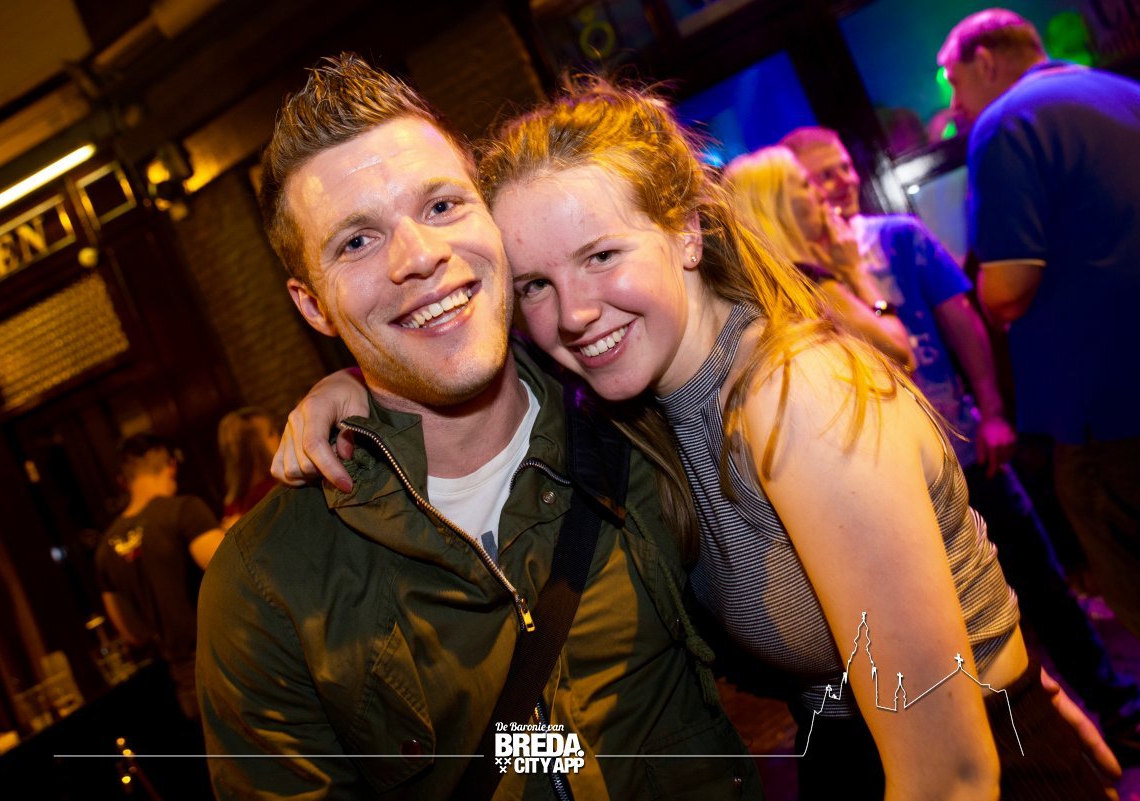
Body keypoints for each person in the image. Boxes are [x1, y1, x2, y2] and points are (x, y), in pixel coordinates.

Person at [276, 77, 1118, 798]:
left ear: (685, 230)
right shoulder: (634, 414)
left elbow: (950, 772)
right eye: (535, 284)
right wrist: (358, 385)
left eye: (602, 255)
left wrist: (1020, 703)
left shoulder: (794, 396)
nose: (573, 312)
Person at [195, 54, 759, 801]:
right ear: (312, 305)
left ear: (491, 220)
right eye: (356, 242)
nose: (419, 257)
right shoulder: (266, 587)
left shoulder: (644, 425)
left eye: (441, 206)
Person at [784, 123, 1140, 763]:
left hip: (966, 450)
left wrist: (993, 411)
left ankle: (1118, 711)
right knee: (964, 623)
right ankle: (1027, 749)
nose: (838, 181)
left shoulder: (897, 238)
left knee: (1042, 585)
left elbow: (964, 321)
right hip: (896, 484)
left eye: (842, 166)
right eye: (819, 175)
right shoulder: (802, 272)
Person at [939, 6, 1140, 684]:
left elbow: (1007, 287)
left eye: (954, 83)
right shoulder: (1122, 92)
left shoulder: (1007, 122)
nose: (954, 105)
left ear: (986, 61)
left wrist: (983, 288)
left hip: (1106, 410)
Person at [721, 145, 915, 370]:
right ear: (778, 207)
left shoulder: (766, 290)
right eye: (806, 185)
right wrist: (856, 271)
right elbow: (901, 354)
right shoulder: (809, 284)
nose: (821, 195)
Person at [96, 433, 224, 720]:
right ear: (171, 465)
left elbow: (133, 634)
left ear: (124, 481)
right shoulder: (184, 511)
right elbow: (234, 570)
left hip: (186, 682)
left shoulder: (105, 550)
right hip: (230, 664)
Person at [216, 407, 281, 529]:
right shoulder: (276, 491)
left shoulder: (232, 505)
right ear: (255, 449)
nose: (279, 436)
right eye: (271, 433)